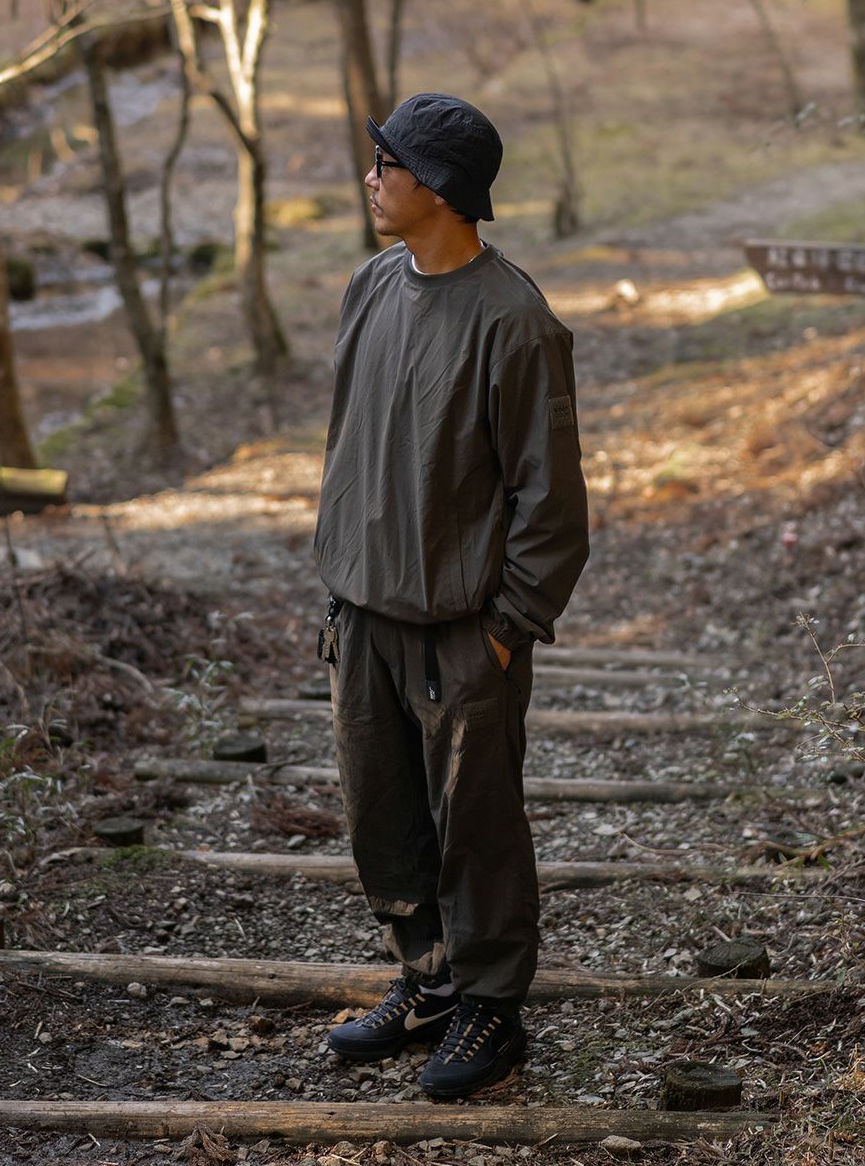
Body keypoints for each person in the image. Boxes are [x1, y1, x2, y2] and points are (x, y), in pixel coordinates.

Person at [311, 93, 590, 1099]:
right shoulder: (371, 286)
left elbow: (551, 503)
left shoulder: (514, 321)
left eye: (385, 163)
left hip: (464, 633)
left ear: (433, 184)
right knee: (381, 819)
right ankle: (428, 982)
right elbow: (351, 446)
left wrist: (506, 631)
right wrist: (340, 583)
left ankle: (491, 1007)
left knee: (476, 828)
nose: (370, 177)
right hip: (364, 614)